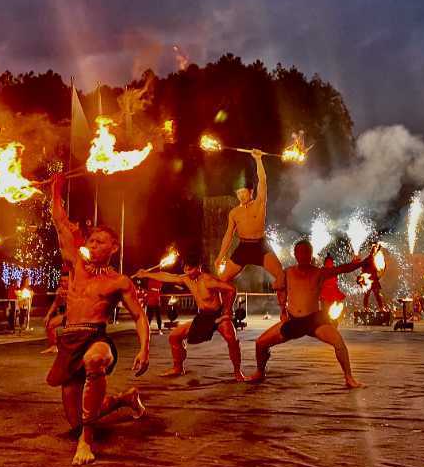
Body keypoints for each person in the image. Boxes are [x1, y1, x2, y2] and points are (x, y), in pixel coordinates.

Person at [47, 173, 150, 466]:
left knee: (95, 362)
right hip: (70, 341)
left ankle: (87, 441)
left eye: (100, 241)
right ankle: (125, 399)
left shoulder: (119, 282)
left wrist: (144, 349)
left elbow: (140, 317)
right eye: (91, 240)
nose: (93, 245)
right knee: (75, 418)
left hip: (96, 338)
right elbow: (59, 223)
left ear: (113, 248)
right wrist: (55, 190)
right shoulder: (76, 267)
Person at [247, 240, 369, 388]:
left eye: (307, 252)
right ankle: (260, 371)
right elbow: (281, 291)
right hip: (293, 320)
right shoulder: (288, 272)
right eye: (300, 252)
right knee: (260, 343)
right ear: (295, 254)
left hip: (313, 320)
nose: (304, 255)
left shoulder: (319, 272)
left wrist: (362, 263)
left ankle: (349, 378)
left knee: (339, 343)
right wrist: (282, 311)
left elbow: (342, 268)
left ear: (311, 254)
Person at [136, 255, 241, 380]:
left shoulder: (208, 280)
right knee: (174, 337)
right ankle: (178, 368)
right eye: (185, 269)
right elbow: (168, 277)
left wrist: (227, 311)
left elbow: (231, 289)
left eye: (190, 269)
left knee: (232, 340)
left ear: (199, 267)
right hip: (202, 317)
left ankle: (237, 372)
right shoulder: (187, 279)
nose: (187, 272)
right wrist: (146, 274)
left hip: (217, 316)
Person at [215, 150, 284, 302]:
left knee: (281, 276)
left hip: (261, 246)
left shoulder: (260, 203)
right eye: (238, 193)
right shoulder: (234, 213)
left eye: (243, 192)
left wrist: (258, 159)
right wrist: (220, 256)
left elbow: (263, 181)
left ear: (250, 191)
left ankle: (284, 311)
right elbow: (228, 235)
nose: (241, 196)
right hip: (243, 247)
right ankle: (226, 310)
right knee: (221, 280)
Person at [41, 274, 69, 354]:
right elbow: (55, 303)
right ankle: (53, 346)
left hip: (76, 315)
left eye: (65, 281)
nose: (62, 283)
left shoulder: (75, 289)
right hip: (66, 315)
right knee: (50, 324)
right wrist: (48, 315)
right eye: (61, 281)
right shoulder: (60, 290)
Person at [360, 243, 386, 314]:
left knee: (377, 295)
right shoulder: (368, 259)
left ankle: (381, 308)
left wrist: (378, 275)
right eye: (374, 250)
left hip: (374, 280)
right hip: (368, 280)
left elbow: (380, 268)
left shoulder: (375, 259)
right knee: (367, 295)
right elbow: (363, 269)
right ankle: (366, 308)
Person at [320, 255, 347, 321]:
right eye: (328, 262)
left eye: (330, 262)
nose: (329, 264)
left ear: (332, 263)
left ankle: (333, 322)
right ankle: (326, 322)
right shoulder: (322, 270)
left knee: (333, 310)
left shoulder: (334, 270)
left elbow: (344, 269)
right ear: (325, 263)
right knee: (325, 311)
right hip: (325, 292)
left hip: (333, 292)